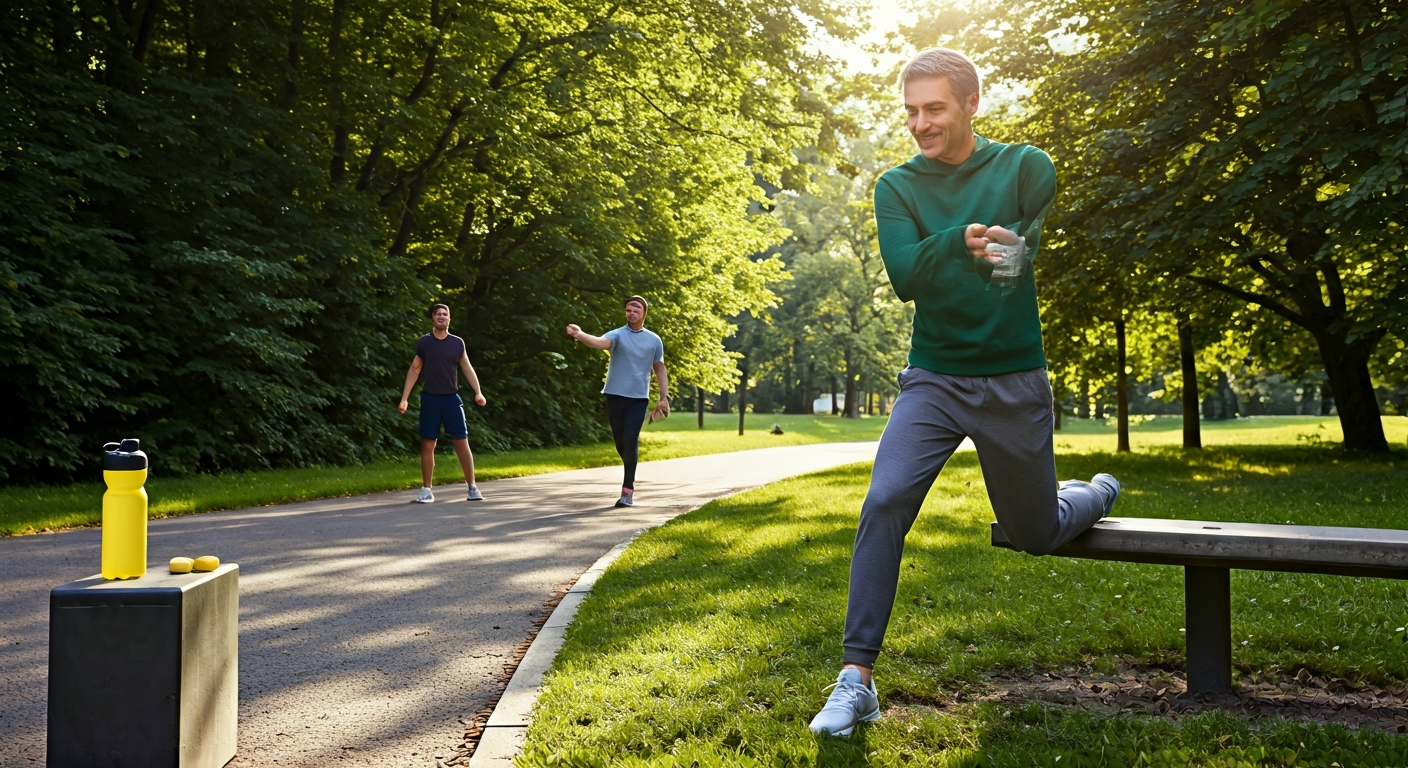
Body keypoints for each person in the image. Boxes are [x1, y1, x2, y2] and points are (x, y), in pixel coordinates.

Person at [808, 48, 1122, 737]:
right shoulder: (897, 187)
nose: (919, 124)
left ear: (971, 103)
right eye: (911, 111)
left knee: (1033, 533)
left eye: (934, 109)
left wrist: (1013, 252)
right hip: (935, 379)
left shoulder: (1022, 168)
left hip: (1014, 378)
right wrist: (960, 241)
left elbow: (1024, 252)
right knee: (885, 498)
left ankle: (1095, 492)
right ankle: (856, 677)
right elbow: (904, 275)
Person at [565, 296, 670, 507]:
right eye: (628, 309)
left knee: (630, 438)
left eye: (636, 309)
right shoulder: (618, 335)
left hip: (638, 398)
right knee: (621, 442)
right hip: (615, 396)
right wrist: (580, 334)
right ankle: (630, 465)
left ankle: (627, 489)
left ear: (644, 313)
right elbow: (599, 342)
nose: (631, 312)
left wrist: (663, 398)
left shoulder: (654, 340)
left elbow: (659, 368)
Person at [398, 304, 488, 503]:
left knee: (461, 441)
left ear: (449, 318)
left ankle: (472, 487)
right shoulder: (424, 343)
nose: (441, 316)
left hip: (451, 399)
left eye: (444, 314)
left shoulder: (457, 343)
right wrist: (404, 398)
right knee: (428, 443)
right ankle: (426, 490)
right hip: (430, 399)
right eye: (437, 314)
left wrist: (478, 392)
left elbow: (467, 367)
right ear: (433, 318)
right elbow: (414, 369)